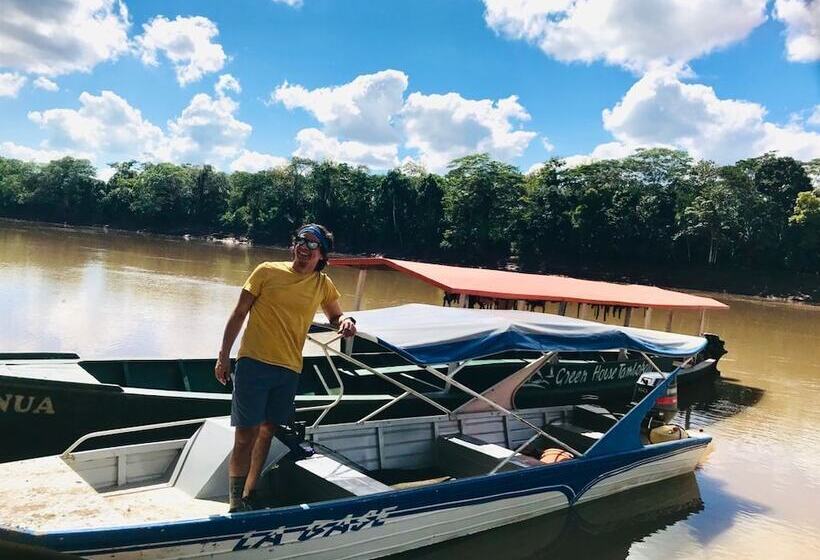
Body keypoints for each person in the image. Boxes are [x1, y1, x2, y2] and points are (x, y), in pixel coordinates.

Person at [214, 223, 356, 512]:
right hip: (254, 364)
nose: (304, 247)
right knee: (245, 436)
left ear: (322, 255)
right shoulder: (266, 271)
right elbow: (239, 313)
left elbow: (335, 314)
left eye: (312, 244)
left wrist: (345, 321)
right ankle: (234, 502)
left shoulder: (323, 284)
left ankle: (250, 492)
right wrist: (223, 356)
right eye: (300, 241)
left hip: (289, 369)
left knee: (267, 431)